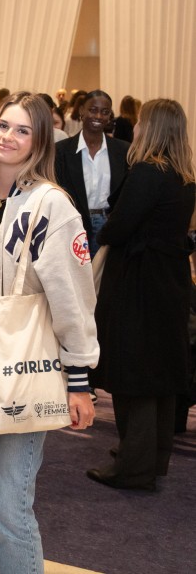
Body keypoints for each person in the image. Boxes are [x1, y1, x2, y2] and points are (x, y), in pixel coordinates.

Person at [0, 92, 98, 574]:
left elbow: (73, 298)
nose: (6, 137)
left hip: (24, 365)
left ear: (40, 142)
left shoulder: (53, 207)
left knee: (12, 504)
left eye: (21, 130)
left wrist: (79, 378)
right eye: (2, 126)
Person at [89, 99, 196, 491]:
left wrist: (106, 231)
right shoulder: (184, 176)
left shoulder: (148, 172)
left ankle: (132, 466)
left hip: (137, 282)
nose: (132, 129)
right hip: (168, 280)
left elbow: (117, 228)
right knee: (159, 374)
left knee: (132, 371)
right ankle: (149, 458)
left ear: (151, 128)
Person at [55, 90, 129, 255]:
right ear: (82, 110)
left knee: (105, 279)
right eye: (93, 110)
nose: (99, 116)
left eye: (105, 112)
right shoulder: (61, 151)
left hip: (110, 228)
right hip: (74, 225)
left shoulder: (123, 150)